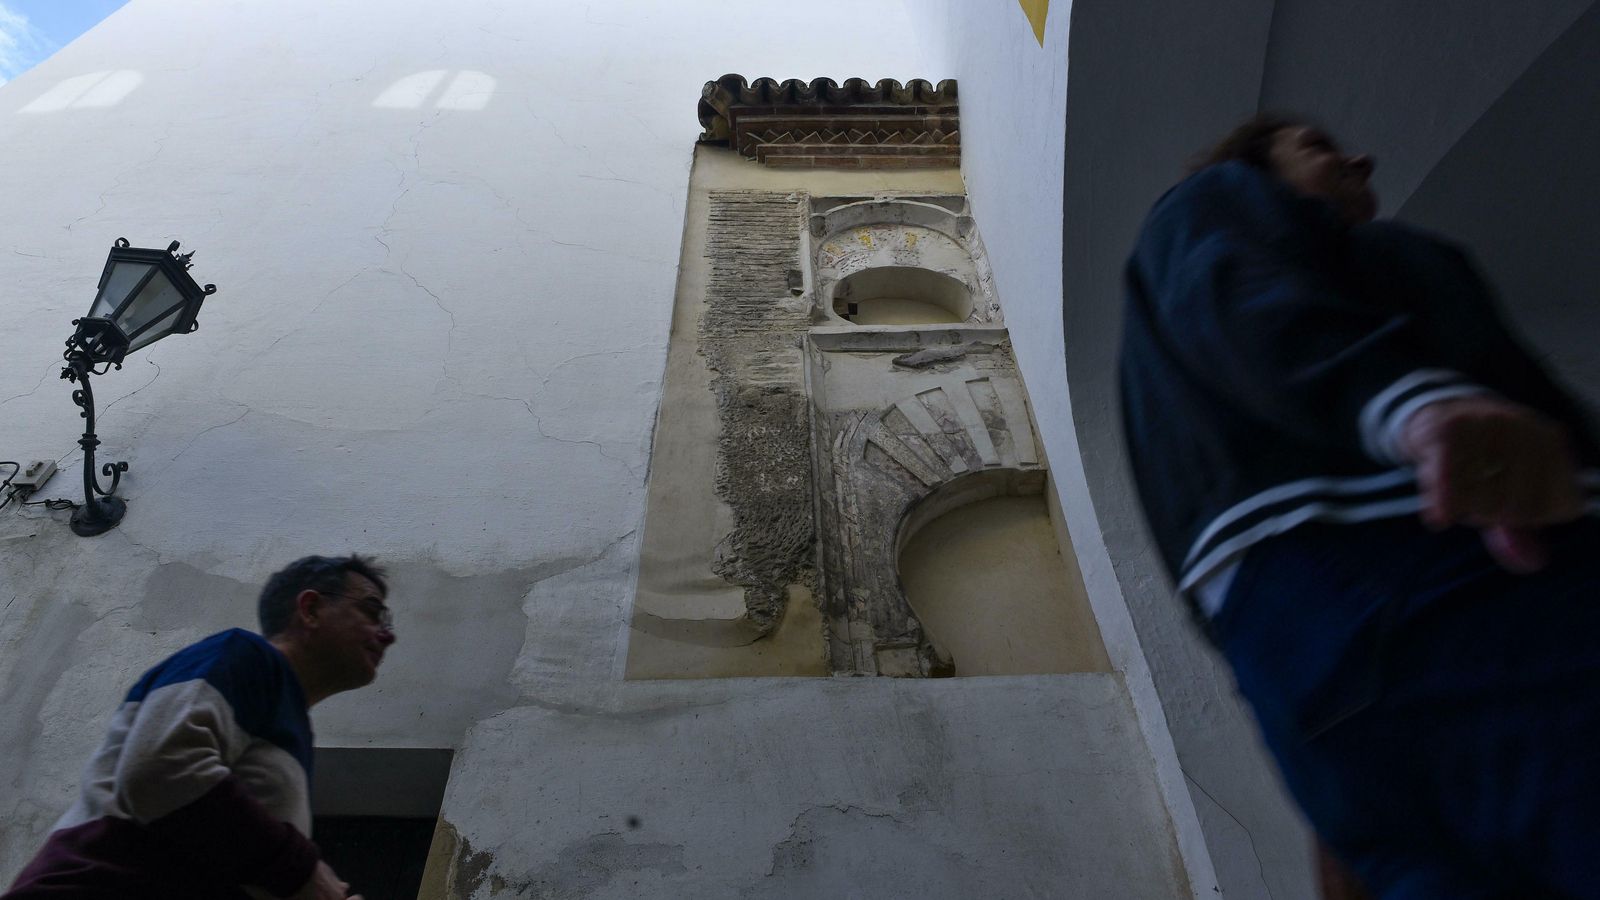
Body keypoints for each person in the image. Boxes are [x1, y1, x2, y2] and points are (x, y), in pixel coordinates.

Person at [1120, 113, 1600, 898]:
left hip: (1322, 644)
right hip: (1455, 572)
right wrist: (1415, 406)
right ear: (1253, 171)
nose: (1360, 156)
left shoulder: (1186, 367)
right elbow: (1245, 297)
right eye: (1315, 144)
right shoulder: (1216, 209)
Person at [2, 554, 398, 900]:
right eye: (372, 610)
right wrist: (304, 871)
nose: (388, 634)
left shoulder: (287, 722)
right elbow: (161, 770)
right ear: (310, 608)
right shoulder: (246, 655)